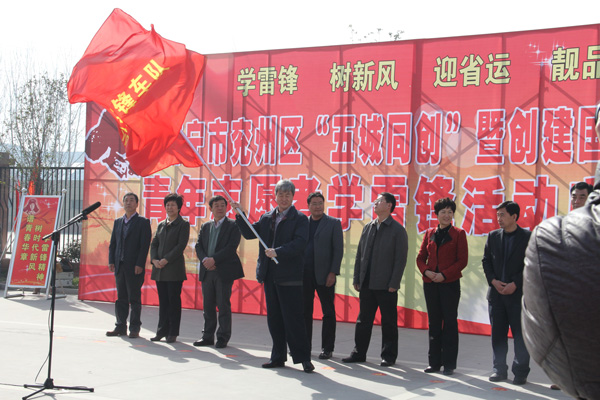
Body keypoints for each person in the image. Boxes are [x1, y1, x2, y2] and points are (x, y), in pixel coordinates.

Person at [522, 104, 600, 399]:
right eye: (575, 196)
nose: (578, 199)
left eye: (582, 196)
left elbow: (549, 346)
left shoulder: (553, 239)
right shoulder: (559, 235)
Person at [232, 179, 314, 373]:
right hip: (270, 276)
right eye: (281, 194)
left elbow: (300, 243)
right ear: (275, 196)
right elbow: (250, 233)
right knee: (274, 319)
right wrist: (240, 215)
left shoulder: (300, 219)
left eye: (288, 195)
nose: (284, 198)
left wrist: (278, 251)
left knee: (294, 319)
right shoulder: (267, 217)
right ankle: (277, 357)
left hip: (290, 276)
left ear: (293, 197)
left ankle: (303, 358)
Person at [342, 192, 408, 367]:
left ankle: (388, 356)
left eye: (379, 201)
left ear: (389, 205)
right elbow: (360, 255)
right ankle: (359, 353)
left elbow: (400, 259)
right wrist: (357, 278)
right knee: (363, 320)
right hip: (367, 283)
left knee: (388, 322)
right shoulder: (368, 227)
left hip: (386, 285)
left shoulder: (397, 230)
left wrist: (394, 283)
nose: (375, 203)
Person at [416, 197, 468, 376]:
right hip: (431, 284)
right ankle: (434, 363)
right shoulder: (429, 233)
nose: (447, 215)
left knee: (450, 323)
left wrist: (444, 274)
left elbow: (462, 261)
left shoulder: (459, 234)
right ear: (436, 214)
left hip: (449, 284)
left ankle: (449, 364)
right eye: (443, 212)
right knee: (434, 323)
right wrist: (427, 272)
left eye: (450, 212)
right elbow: (420, 258)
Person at [481, 201, 531, 385]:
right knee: (498, 335)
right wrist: (493, 281)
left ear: (514, 216)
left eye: (502, 215)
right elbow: (486, 261)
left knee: (520, 337)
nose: (499, 218)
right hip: (496, 296)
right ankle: (499, 369)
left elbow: (531, 264)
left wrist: (516, 283)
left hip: (518, 296)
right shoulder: (493, 236)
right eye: (498, 215)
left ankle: (520, 372)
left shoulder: (527, 237)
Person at [194, 195, 244, 349]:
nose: (220, 208)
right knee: (208, 306)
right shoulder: (206, 226)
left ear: (226, 208)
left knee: (223, 305)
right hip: (207, 271)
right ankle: (207, 336)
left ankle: (222, 337)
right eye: (216, 206)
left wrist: (214, 260)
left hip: (223, 271)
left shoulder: (233, 225)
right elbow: (198, 246)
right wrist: (205, 260)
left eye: (223, 205)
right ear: (211, 209)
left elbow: (231, 247)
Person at [302, 192, 343, 360]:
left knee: (328, 312)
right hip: (304, 274)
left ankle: (327, 348)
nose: (318, 206)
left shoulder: (333, 223)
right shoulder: (302, 223)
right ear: (308, 206)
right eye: (314, 203)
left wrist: (333, 272)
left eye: (320, 203)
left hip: (325, 275)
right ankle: (304, 346)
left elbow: (338, 250)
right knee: (304, 312)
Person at [106, 192, 152, 338]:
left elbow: (144, 246)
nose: (128, 203)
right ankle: (120, 326)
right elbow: (113, 243)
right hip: (119, 265)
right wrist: (111, 260)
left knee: (134, 298)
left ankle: (134, 328)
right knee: (121, 298)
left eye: (132, 200)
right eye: (126, 200)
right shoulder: (118, 221)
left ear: (137, 204)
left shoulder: (143, 222)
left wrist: (140, 264)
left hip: (134, 267)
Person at [150, 193, 190, 344]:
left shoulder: (183, 224)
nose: (170, 207)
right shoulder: (161, 224)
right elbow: (154, 243)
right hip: (159, 269)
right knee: (163, 302)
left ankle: (172, 333)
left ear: (179, 207)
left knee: (173, 302)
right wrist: (154, 259)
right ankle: (161, 331)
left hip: (174, 270)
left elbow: (180, 246)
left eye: (173, 205)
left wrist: (166, 259)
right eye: (167, 205)